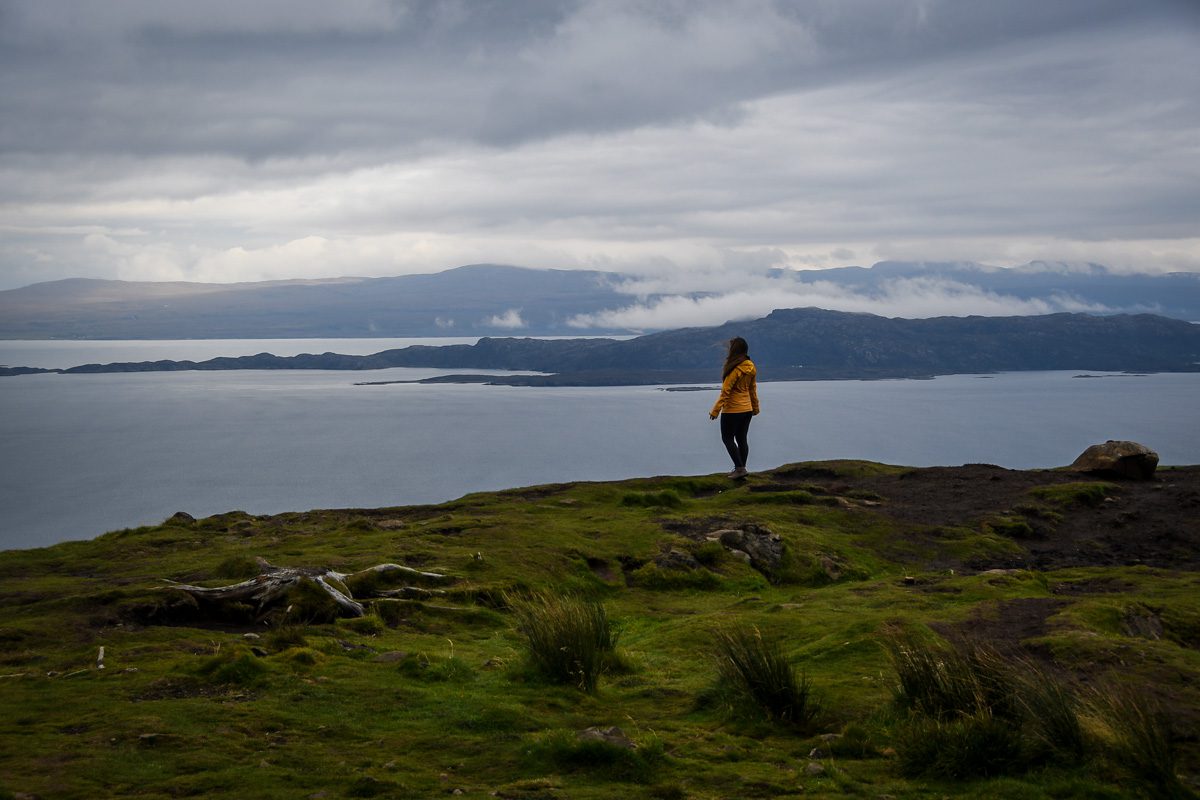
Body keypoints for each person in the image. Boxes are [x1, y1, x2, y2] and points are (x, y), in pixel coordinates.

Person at [709, 336, 759, 478]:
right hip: (747, 409)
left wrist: (715, 410)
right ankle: (741, 468)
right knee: (742, 439)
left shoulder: (734, 369)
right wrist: (755, 407)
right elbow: (752, 389)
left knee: (728, 438)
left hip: (733, 410)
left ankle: (739, 468)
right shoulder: (751, 366)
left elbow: (726, 392)